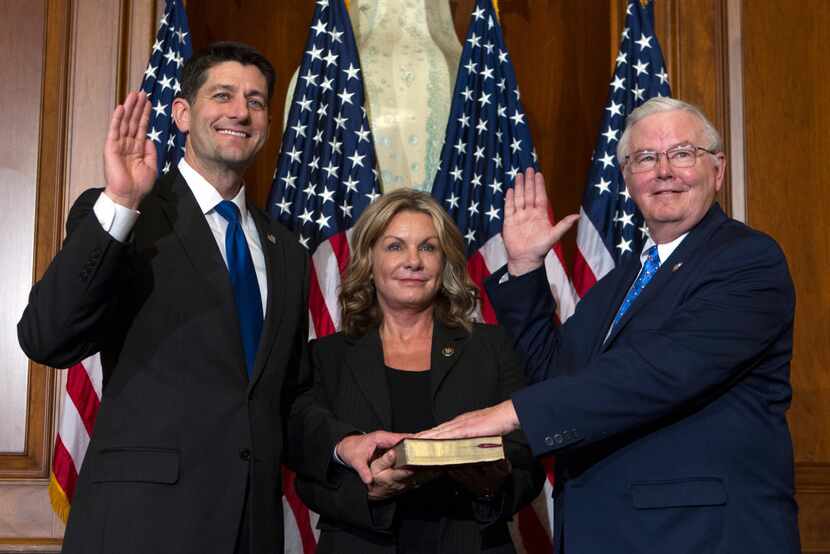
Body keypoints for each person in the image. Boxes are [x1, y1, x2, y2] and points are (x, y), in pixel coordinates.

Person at [17, 42, 397, 554]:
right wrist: (122, 202)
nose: (240, 111)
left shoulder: (285, 251)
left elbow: (284, 398)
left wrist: (340, 443)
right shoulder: (127, 215)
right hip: (140, 529)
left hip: (251, 529)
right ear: (182, 114)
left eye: (256, 101)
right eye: (223, 95)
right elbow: (46, 337)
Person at [423, 97, 801, 553]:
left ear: (717, 169)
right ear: (627, 178)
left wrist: (509, 414)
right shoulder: (621, 282)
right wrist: (524, 268)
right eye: (645, 158)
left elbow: (655, 373)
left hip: (698, 538)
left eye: (682, 153)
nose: (664, 170)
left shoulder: (747, 261)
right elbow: (555, 375)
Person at [295, 189, 545, 554]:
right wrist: (367, 491)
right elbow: (307, 468)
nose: (413, 261)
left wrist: (494, 484)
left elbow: (528, 459)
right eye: (395, 246)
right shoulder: (327, 356)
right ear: (369, 259)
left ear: (444, 262)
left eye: (428, 247)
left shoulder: (490, 347)